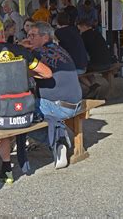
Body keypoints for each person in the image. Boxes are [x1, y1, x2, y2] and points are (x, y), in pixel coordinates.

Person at [0, 18, 52, 181]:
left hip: (1, 118)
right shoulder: (20, 50)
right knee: (0, 120)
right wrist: (21, 72)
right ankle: (6, 168)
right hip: (27, 116)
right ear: (2, 33)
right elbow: (47, 73)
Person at [24, 21, 83, 169]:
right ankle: (51, 137)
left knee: (17, 113)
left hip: (60, 106)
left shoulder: (37, 53)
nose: (29, 38)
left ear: (45, 37)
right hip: (76, 102)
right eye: (28, 35)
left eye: (33, 35)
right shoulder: (60, 49)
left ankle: (57, 140)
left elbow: (22, 72)